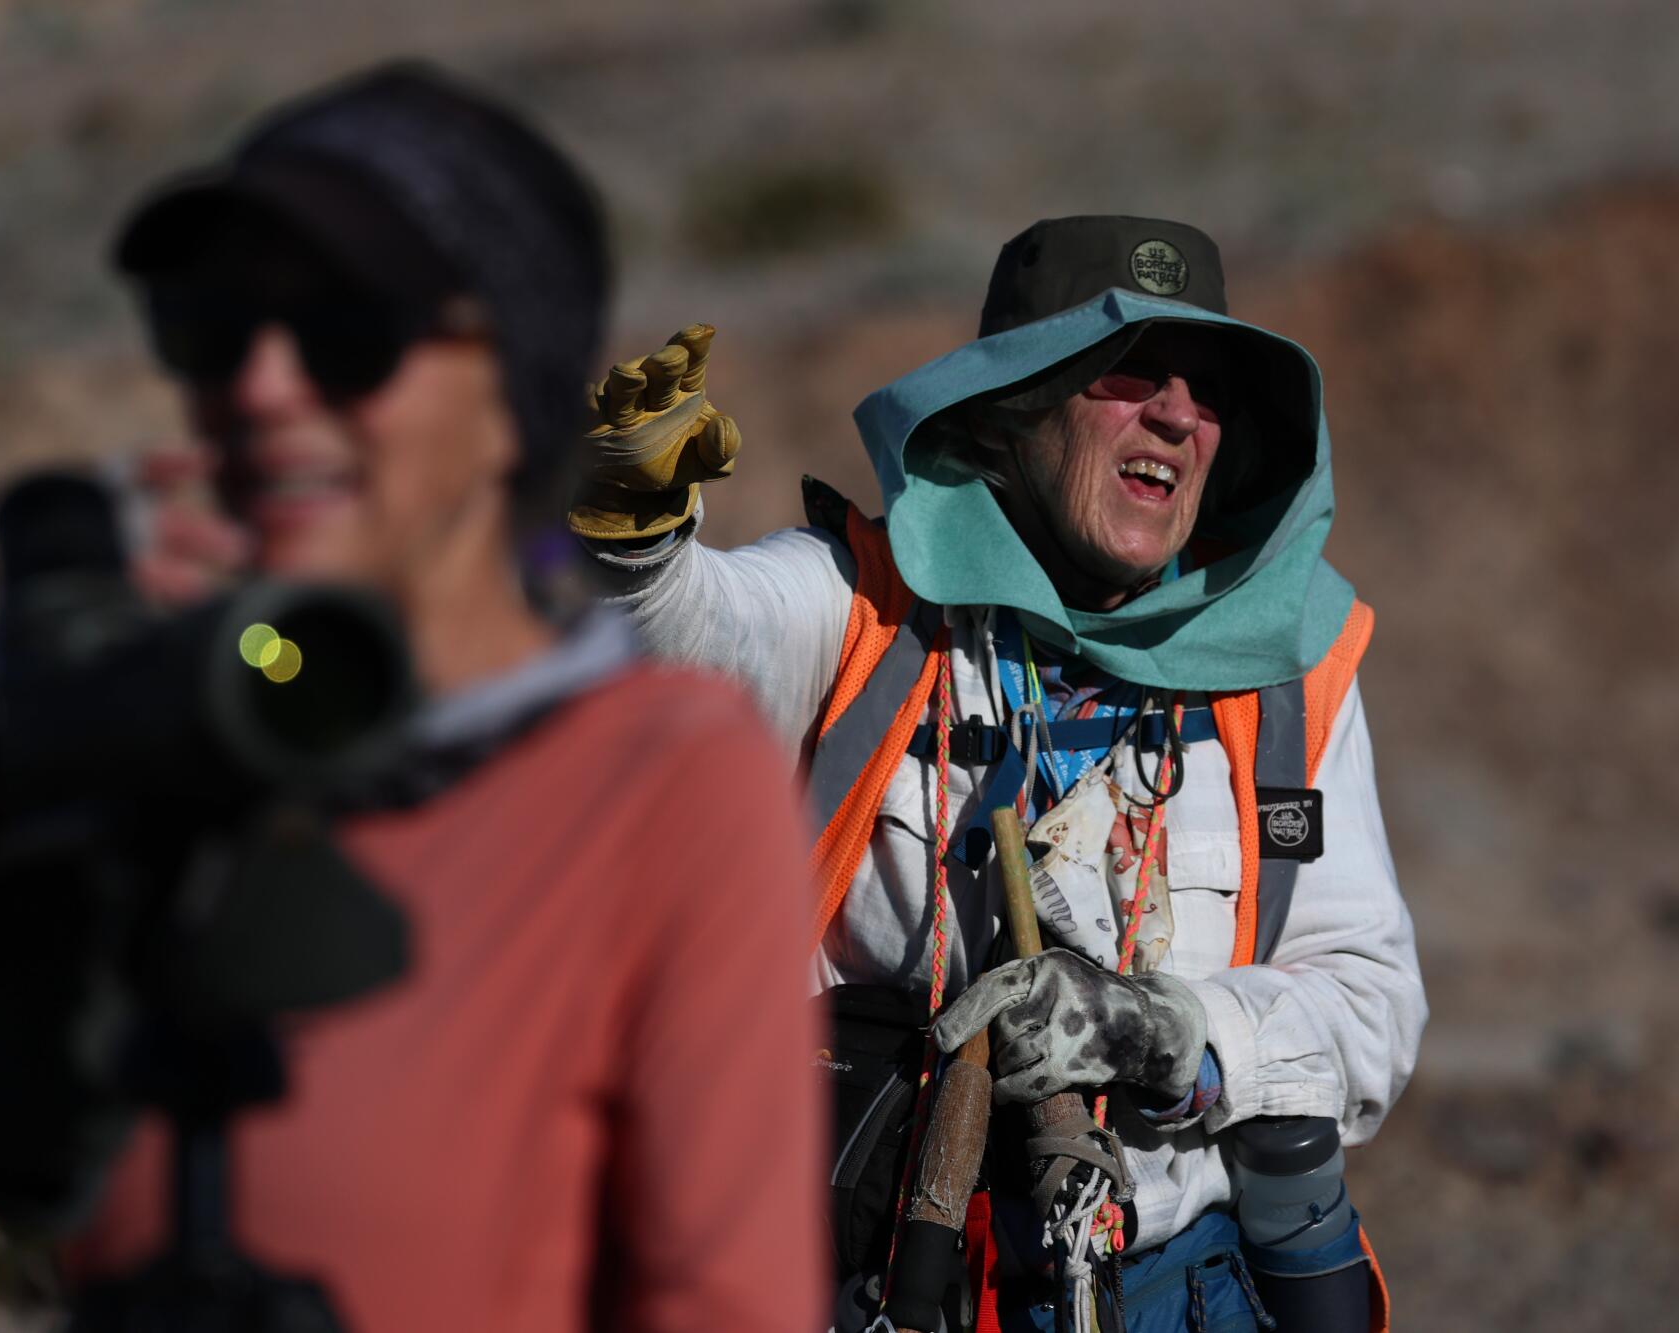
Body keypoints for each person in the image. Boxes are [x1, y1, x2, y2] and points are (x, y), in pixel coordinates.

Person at [0, 64, 826, 1332]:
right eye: (213, 328)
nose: (261, 387)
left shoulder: (650, 781)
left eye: (347, 334)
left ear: (516, 394)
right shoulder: (183, 736)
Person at [575, 217, 1426, 1331]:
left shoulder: (1288, 667)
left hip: (1181, 1289)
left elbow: (1370, 1007)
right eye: (1128, 372)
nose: (1176, 414)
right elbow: (688, 642)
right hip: (886, 1283)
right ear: (1012, 408)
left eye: (1208, 390)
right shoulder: (866, 605)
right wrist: (630, 544)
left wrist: (1167, 1034)